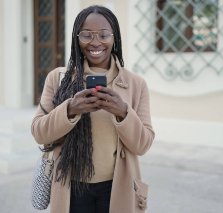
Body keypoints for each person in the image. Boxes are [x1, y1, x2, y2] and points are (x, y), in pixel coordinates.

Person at [31, 5, 154, 213]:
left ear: (114, 37)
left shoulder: (135, 84)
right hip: (72, 188)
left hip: (116, 187)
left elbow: (143, 144)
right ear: (76, 39)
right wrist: (69, 109)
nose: (95, 42)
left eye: (104, 34)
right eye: (86, 35)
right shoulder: (58, 78)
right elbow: (39, 132)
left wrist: (123, 112)